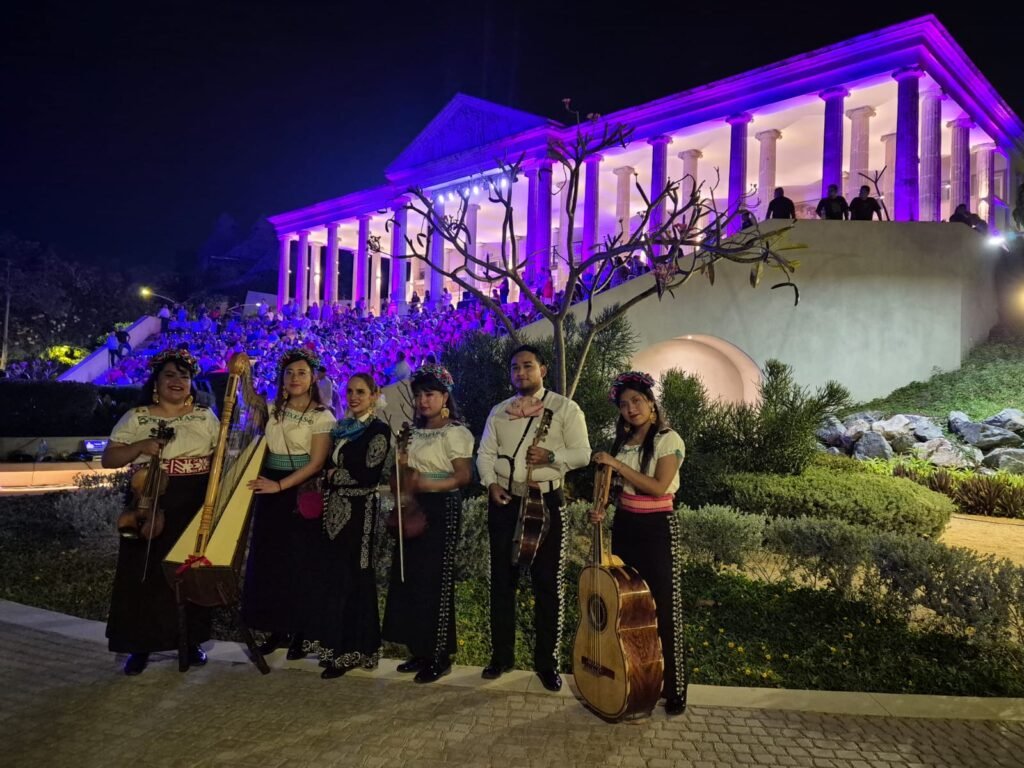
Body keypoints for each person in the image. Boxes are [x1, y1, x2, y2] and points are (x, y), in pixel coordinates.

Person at [476, 345, 591, 691]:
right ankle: (501, 657)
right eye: (515, 367)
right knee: (502, 582)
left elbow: (584, 454)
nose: (521, 373)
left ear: (543, 369)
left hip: (546, 502)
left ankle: (547, 663)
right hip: (505, 500)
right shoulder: (499, 411)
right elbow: (484, 453)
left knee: (547, 584)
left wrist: (552, 454)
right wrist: (491, 484)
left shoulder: (564, 408)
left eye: (528, 366)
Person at [102, 349, 220, 675]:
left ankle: (190, 640)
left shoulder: (205, 416)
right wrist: (140, 447)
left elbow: (220, 458)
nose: (177, 382)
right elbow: (109, 459)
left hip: (193, 499)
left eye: (184, 376)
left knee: (188, 571)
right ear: (156, 382)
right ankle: (139, 646)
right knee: (143, 572)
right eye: (170, 375)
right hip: (149, 499)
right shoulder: (137, 417)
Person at [589, 370, 687, 716]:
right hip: (626, 524)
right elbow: (616, 489)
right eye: (624, 404)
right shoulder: (624, 442)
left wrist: (615, 463)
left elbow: (659, 486)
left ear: (651, 404)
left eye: (637, 401)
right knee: (628, 608)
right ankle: (637, 678)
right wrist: (602, 507)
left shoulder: (668, 439)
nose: (631, 409)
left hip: (657, 527)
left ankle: (674, 688)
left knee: (663, 606)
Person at [241, 348, 336, 659]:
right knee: (272, 562)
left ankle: (301, 632)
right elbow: (253, 419)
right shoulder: (273, 410)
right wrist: (242, 380)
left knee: (300, 563)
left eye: (302, 373)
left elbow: (316, 463)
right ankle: (275, 627)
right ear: (282, 378)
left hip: (297, 491)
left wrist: (279, 485)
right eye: (289, 373)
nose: (295, 378)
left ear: (312, 379)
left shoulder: (322, 416)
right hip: (270, 490)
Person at [382, 365, 474, 683]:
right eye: (419, 394)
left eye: (430, 394)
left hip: (441, 507)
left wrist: (424, 484)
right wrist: (403, 472)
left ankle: (439, 654)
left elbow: (463, 476)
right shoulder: (411, 433)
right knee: (410, 579)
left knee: (436, 581)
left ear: (444, 397)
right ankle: (418, 650)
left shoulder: (456, 432)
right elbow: (400, 478)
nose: (423, 401)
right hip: (413, 507)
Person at [302, 374, 392, 679]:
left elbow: (368, 474)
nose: (354, 397)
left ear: (374, 395)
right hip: (334, 511)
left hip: (360, 512)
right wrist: (333, 475)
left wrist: (332, 476)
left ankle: (355, 650)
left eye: (361, 392)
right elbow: (332, 466)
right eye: (350, 391)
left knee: (356, 578)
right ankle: (334, 647)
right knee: (335, 577)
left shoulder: (378, 430)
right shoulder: (341, 429)